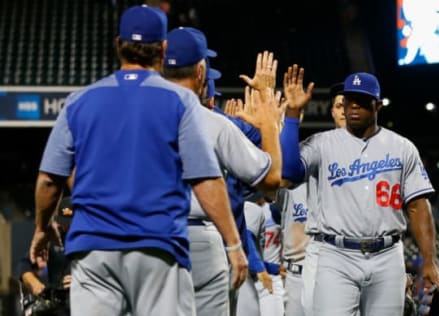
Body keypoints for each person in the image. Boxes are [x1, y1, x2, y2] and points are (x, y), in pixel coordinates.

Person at [29, 5, 247, 316]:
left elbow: (50, 180)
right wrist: (233, 245)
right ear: (163, 47)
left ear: (118, 44)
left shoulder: (79, 100)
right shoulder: (180, 101)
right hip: (157, 248)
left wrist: (42, 225)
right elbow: (205, 180)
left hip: (94, 253)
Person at [280, 68, 439, 315]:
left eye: (362, 101)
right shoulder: (322, 143)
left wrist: (429, 260)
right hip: (336, 256)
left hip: (387, 256)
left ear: (377, 105)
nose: (354, 106)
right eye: (349, 101)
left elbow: (418, 205)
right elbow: (289, 173)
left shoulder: (402, 148)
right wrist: (292, 114)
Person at [161, 26, 282, 316]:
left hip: (146, 237)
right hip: (202, 239)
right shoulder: (212, 122)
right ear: (200, 71)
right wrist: (267, 119)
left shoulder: (136, 117)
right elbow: (272, 181)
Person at [274, 81, 346, 316]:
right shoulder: (312, 150)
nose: (344, 110)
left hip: (338, 267)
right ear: (332, 111)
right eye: (338, 105)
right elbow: (284, 174)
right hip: (296, 273)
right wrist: (286, 121)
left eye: (348, 104)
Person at [19, 196, 73, 316]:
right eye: (63, 222)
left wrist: (80, 280)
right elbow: (24, 265)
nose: (66, 228)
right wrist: (36, 286)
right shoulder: (51, 239)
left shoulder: (91, 241)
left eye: (71, 224)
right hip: (57, 307)